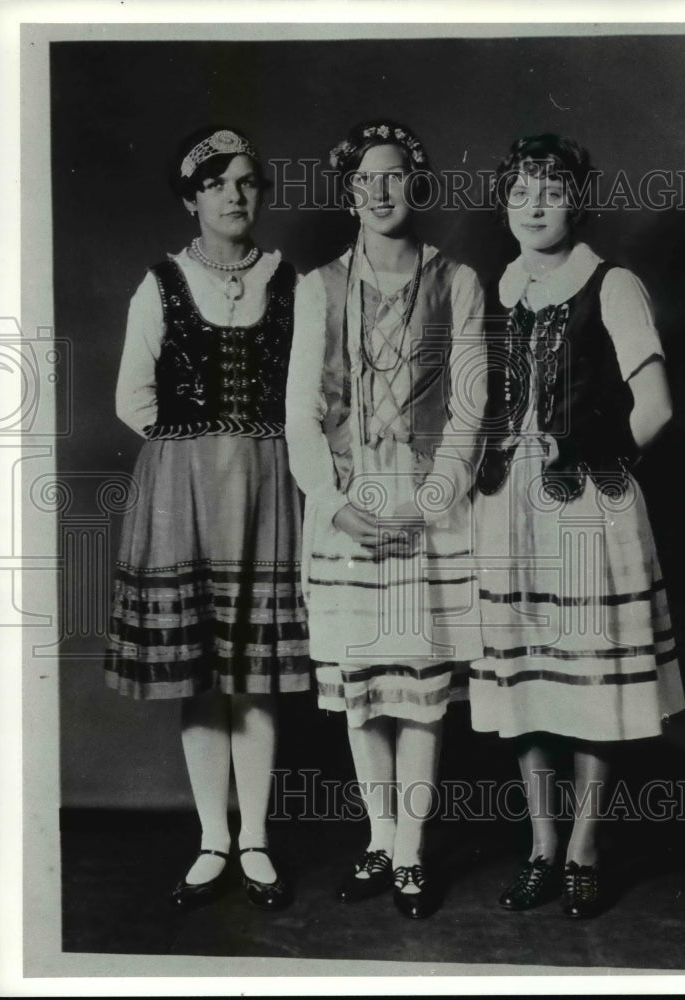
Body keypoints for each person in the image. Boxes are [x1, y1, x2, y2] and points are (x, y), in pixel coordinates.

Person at [471, 133, 685, 918]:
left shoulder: (612, 283)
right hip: (506, 507)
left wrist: (595, 456)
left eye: (552, 190)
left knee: (592, 679)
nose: (534, 205)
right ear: (504, 203)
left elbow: (655, 408)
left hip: (586, 506)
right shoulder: (502, 286)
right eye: (521, 190)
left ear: (577, 200)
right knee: (526, 678)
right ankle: (541, 846)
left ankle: (586, 848)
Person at [105, 126, 311, 911]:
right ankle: (212, 839)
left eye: (249, 182)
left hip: (267, 485)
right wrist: (191, 456)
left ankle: (254, 838)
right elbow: (133, 398)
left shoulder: (290, 280)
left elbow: (310, 394)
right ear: (192, 198)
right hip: (185, 490)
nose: (236, 195)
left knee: (255, 674)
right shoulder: (160, 282)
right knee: (201, 672)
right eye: (219, 183)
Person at [285, 120, 486, 919]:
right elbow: (300, 416)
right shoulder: (318, 288)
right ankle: (378, 835)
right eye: (365, 180)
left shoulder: (458, 282)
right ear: (348, 193)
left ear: (417, 183)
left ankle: (411, 852)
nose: (380, 191)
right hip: (347, 506)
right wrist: (335, 510)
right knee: (361, 683)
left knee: (419, 684)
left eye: (395, 175)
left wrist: (427, 500)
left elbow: (470, 409)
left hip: (429, 501)